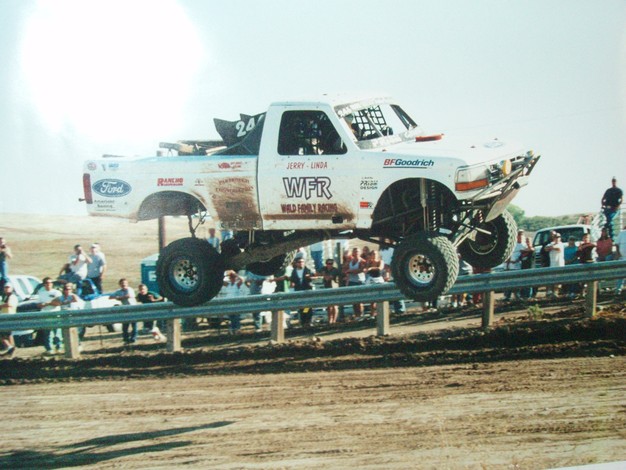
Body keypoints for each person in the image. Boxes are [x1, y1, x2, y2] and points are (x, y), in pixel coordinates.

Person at [36, 277, 63, 355]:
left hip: (55, 314)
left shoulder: (57, 292)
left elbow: (58, 303)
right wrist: (44, 304)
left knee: (57, 332)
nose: (49, 284)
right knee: (47, 333)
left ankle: (59, 347)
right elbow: (38, 304)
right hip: (45, 314)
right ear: (44, 284)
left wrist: (47, 303)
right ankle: (49, 349)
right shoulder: (41, 293)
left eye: (50, 283)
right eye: (47, 283)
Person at [109, 278, 138, 345]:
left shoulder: (130, 289)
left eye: (125, 283)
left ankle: (133, 339)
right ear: (119, 284)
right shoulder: (118, 291)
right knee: (125, 326)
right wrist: (116, 297)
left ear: (127, 284)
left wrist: (119, 298)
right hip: (125, 310)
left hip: (133, 309)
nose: (123, 285)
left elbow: (128, 296)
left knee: (134, 325)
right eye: (122, 283)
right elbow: (110, 297)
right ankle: (126, 339)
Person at [289, 257, 315, 326]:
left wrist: (310, 277)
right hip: (299, 291)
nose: (301, 263)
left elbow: (314, 276)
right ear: (296, 263)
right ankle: (303, 321)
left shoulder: (307, 270)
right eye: (299, 262)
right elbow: (292, 280)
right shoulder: (294, 271)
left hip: (307, 291)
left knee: (307, 307)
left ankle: (308, 320)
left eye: (302, 262)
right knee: (301, 307)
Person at [344, 247, 366, 319]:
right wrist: (348, 271)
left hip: (359, 281)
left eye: (357, 251)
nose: (356, 253)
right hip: (351, 281)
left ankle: (361, 315)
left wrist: (350, 271)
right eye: (355, 251)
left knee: (359, 300)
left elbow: (360, 270)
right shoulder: (350, 261)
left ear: (360, 253)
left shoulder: (362, 261)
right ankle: (356, 315)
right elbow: (344, 269)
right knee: (354, 300)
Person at [503, 230, 526, 301]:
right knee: (509, 282)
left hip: (518, 266)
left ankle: (517, 296)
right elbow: (509, 255)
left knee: (517, 282)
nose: (520, 237)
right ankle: (507, 296)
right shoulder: (513, 245)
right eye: (519, 235)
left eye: (521, 235)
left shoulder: (524, 245)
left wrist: (518, 259)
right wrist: (507, 265)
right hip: (511, 266)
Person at [319, 259, 340, 324]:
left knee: (334, 306)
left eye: (331, 263)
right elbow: (317, 273)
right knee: (329, 306)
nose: (329, 265)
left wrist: (324, 274)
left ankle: (334, 320)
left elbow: (328, 278)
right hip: (326, 289)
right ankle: (330, 320)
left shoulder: (335, 270)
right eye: (328, 263)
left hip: (334, 289)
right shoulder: (324, 268)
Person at [364, 250, 385, 316]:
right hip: (371, 280)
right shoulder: (369, 262)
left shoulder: (380, 261)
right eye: (373, 254)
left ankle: (380, 313)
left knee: (380, 298)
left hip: (378, 280)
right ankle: (372, 313)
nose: (374, 255)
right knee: (372, 299)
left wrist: (371, 268)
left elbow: (380, 268)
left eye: (375, 254)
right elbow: (366, 269)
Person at [0, 283, 18, 358]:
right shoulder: (5, 297)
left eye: (8, 287)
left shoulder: (12, 296)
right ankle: (12, 350)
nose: (6, 289)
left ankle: (9, 347)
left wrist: (1, 305)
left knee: (2, 334)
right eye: (5, 287)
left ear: (11, 288)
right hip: (5, 318)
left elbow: (9, 304)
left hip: (9, 318)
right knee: (9, 334)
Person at [545, 232, 565, 297]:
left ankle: (556, 293)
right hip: (552, 265)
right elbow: (546, 249)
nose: (557, 238)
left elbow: (558, 248)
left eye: (558, 237)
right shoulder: (551, 243)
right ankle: (551, 292)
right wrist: (551, 247)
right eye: (556, 237)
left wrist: (551, 247)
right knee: (552, 279)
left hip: (559, 265)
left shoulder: (561, 244)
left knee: (558, 280)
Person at [614, 224, 626, 296]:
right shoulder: (622, 233)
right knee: (621, 275)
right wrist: (618, 254)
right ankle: (618, 290)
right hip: (622, 258)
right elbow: (617, 244)